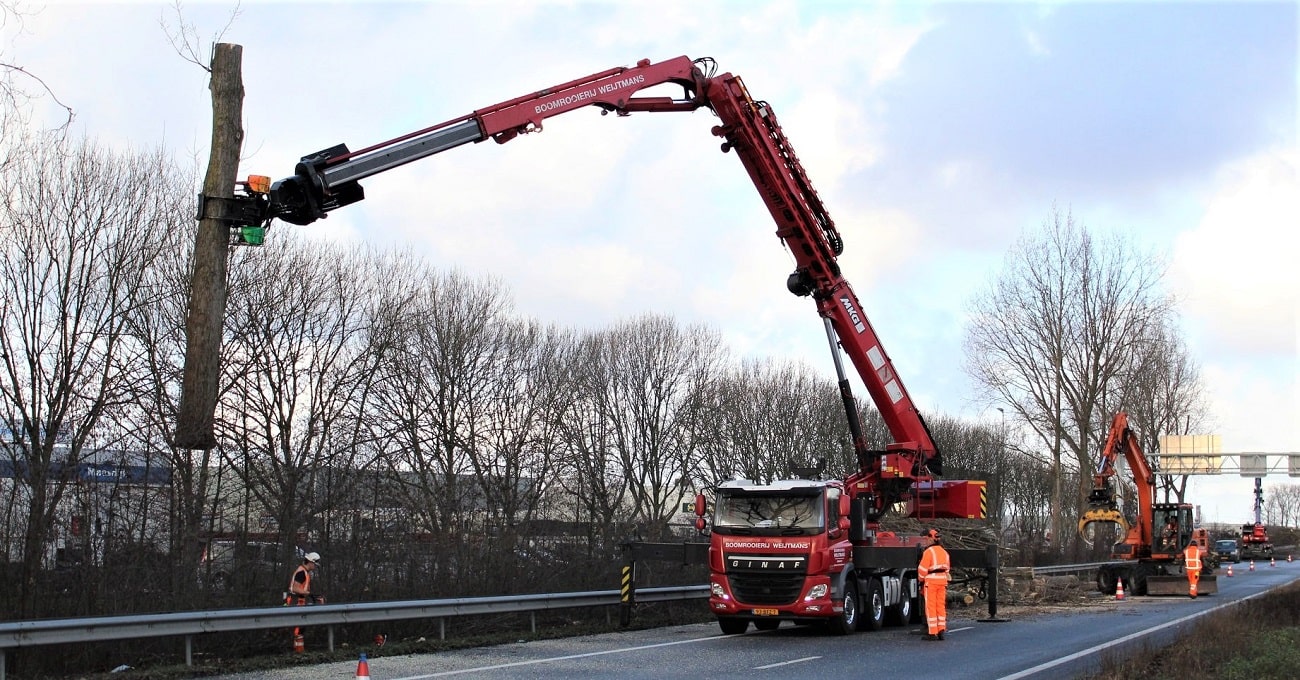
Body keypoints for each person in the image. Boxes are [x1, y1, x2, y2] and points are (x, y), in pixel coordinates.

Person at [918, 528, 950, 641]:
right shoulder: (945, 553)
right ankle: (941, 630)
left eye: (927, 539)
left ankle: (932, 632)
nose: (925, 541)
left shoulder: (928, 552)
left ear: (932, 539)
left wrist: (921, 580)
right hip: (942, 581)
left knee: (930, 606)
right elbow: (947, 569)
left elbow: (922, 570)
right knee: (940, 606)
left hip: (931, 582)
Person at [287, 552, 323, 652]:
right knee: (298, 628)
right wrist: (309, 594)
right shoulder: (301, 573)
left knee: (300, 628)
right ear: (311, 562)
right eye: (315, 565)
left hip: (299, 602)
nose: (315, 567)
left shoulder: (304, 572)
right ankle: (298, 651)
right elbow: (295, 588)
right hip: (296, 602)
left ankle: (298, 649)